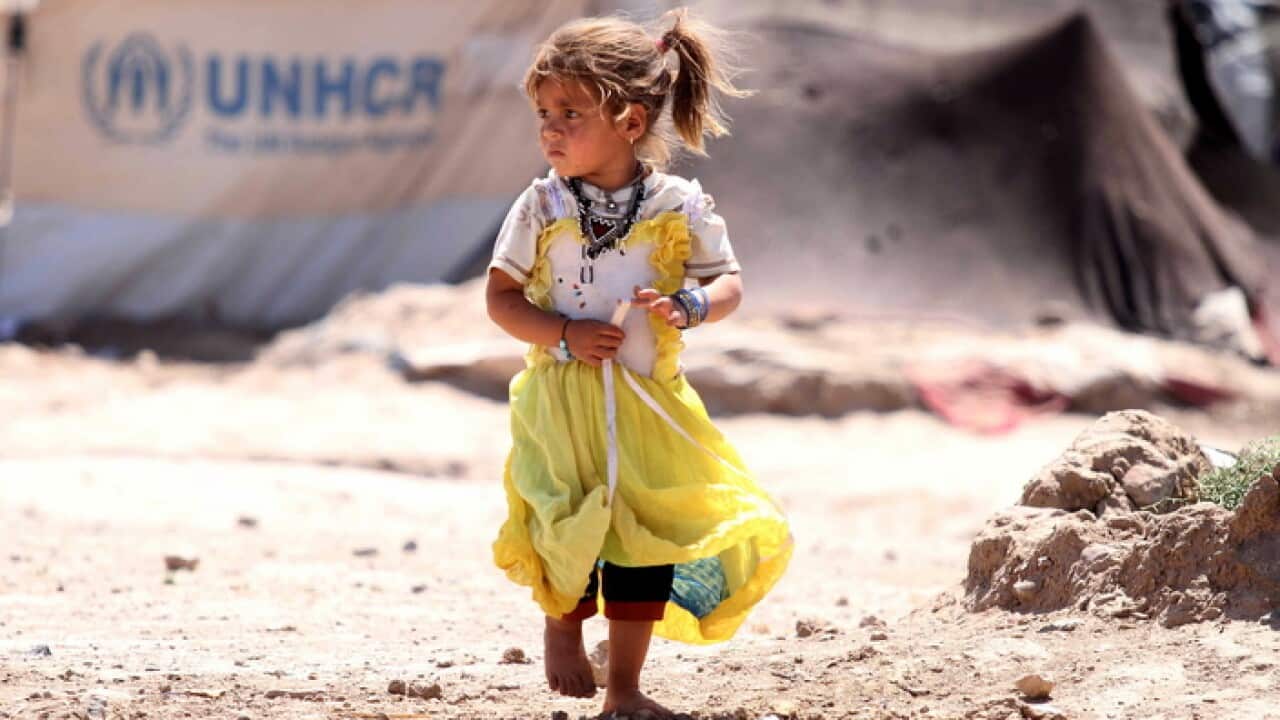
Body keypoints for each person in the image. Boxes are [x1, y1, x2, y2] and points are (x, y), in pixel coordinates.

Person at [485, 9, 792, 718]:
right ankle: (562, 627)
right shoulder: (540, 205)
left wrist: (691, 305)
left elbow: (729, 284)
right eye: (543, 113)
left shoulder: (679, 206)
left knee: (643, 542)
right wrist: (564, 332)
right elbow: (501, 300)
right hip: (562, 409)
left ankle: (624, 692)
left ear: (629, 120)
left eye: (569, 112)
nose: (550, 129)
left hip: (651, 405)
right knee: (563, 525)